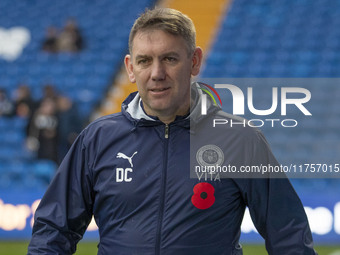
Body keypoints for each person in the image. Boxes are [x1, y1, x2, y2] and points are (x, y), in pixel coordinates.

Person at [28, 8, 318, 255]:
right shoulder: (96, 139)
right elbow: (53, 230)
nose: (156, 73)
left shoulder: (240, 139)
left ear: (194, 61)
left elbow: (288, 235)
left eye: (170, 58)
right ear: (130, 68)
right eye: (144, 61)